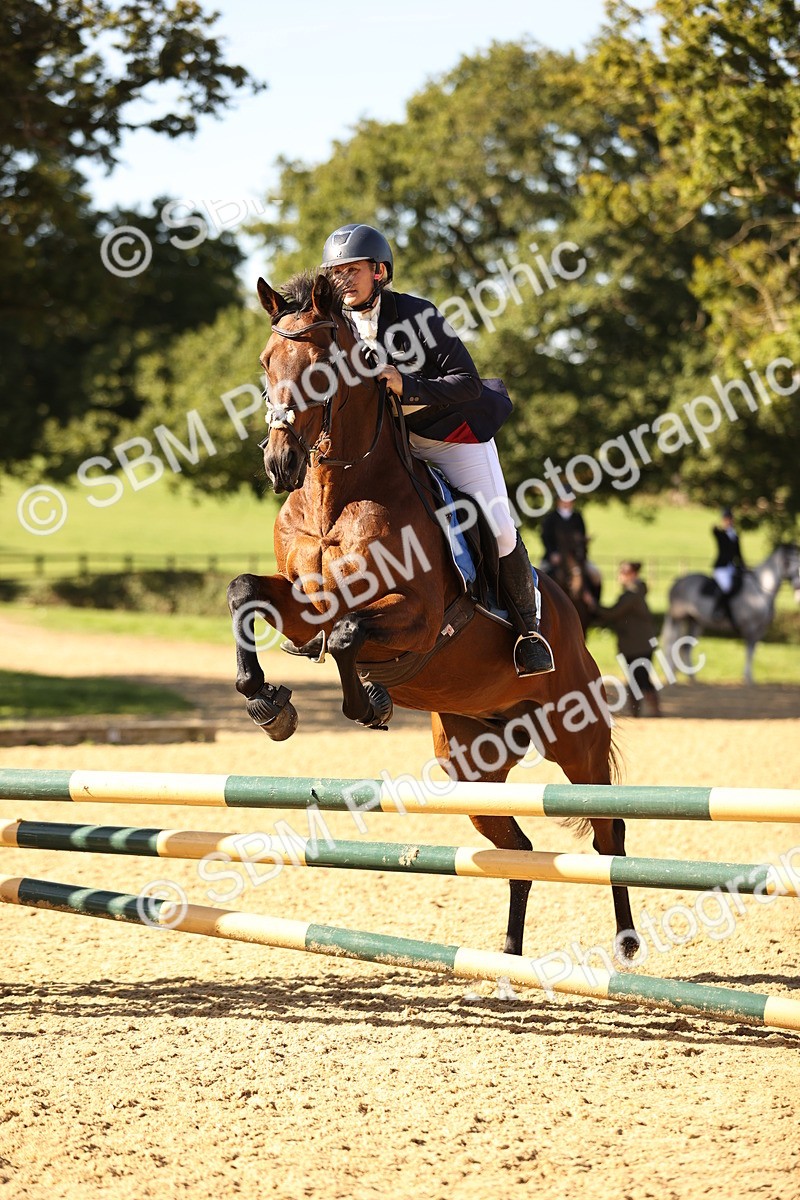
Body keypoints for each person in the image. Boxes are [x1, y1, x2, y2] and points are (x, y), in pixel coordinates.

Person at [316, 222, 554, 676]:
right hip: (388, 447)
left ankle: (529, 631)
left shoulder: (416, 315)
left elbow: (466, 382)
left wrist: (406, 385)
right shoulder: (332, 326)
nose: (342, 280)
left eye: (352, 270)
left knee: (500, 528)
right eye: (335, 272)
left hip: (448, 436)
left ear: (379, 272)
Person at [586, 561, 660, 716]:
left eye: (623, 573)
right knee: (637, 677)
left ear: (632, 575)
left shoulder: (631, 595)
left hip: (637, 645)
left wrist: (592, 604)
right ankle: (638, 711)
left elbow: (612, 613)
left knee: (640, 677)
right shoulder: (635, 592)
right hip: (638, 643)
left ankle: (651, 711)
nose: (619, 577)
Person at [711, 507, 745, 623]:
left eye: (730, 519)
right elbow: (715, 532)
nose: (729, 521)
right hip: (722, 568)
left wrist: (743, 566)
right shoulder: (721, 534)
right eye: (726, 519)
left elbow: (739, 554)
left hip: (732, 567)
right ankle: (718, 610)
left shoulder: (735, 536)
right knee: (727, 587)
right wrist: (718, 528)